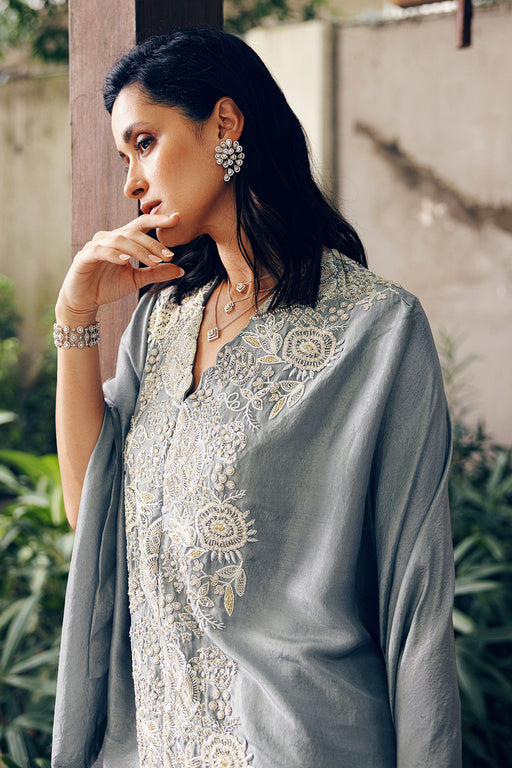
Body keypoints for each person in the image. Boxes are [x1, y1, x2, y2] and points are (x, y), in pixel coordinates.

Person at [51, 28, 461, 768]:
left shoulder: (375, 329)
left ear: (225, 125)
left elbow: (416, 597)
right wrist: (76, 318)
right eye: (123, 157)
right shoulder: (162, 322)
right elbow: (91, 516)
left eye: (144, 143)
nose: (131, 182)